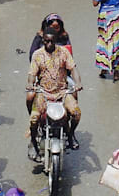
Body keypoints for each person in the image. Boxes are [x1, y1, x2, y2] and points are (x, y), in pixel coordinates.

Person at [27, 29, 82, 161]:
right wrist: (30, 84)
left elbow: (73, 69)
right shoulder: (37, 54)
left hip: (62, 92)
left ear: (56, 40)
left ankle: (70, 134)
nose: (49, 43)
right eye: (47, 41)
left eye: (52, 41)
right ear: (43, 40)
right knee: (34, 119)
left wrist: (78, 82)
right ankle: (33, 141)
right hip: (43, 93)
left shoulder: (64, 52)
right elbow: (31, 74)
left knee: (76, 113)